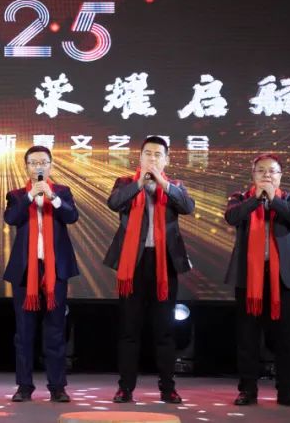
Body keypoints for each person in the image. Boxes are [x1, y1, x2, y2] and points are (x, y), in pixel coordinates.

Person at [103, 136, 195, 404]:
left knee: (164, 331)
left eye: (158, 155)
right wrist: (140, 184)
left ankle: (168, 388)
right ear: (140, 157)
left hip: (164, 264)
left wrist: (163, 184)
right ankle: (125, 388)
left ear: (166, 160)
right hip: (133, 263)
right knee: (129, 330)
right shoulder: (125, 183)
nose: (152, 158)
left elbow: (187, 207)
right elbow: (114, 203)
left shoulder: (175, 186)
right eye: (148, 154)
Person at [223, 153, 290, 408]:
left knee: (284, 339)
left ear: (280, 176)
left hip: (282, 279)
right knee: (247, 338)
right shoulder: (240, 198)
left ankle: (287, 392)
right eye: (261, 171)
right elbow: (232, 218)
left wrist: (273, 199)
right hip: (249, 278)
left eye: (272, 171)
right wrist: (257, 199)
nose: (267, 175)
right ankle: (247, 390)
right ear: (253, 175)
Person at [3, 145, 79, 403]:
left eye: (43, 162)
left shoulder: (63, 192)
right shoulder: (16, 195)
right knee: (24, 333)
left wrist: (51, 197)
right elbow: (11, 218)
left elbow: (71, 216)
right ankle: (24, 386)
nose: (39, 167)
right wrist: (29, 196)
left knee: (55, 331)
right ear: (26, 167)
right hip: (26, 271)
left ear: (51, 165)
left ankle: (57, 386)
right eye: (33, 163)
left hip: (55, 270)